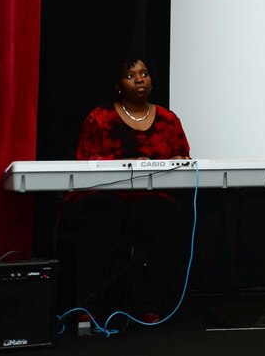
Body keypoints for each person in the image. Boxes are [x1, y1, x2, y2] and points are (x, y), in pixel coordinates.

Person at [58, 53, 191, 324]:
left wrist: (179, 161)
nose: (139, 79)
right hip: (105, 196)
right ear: (118, 85)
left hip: (151, 198)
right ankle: (92, 306)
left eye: (144, 73)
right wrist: (125, 163)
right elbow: (84, 161)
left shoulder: (168, 120)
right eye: (130, 75)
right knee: (99, 219)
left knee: (167, 218)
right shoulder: (100, 119)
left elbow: (184, 156)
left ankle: (149, 305)